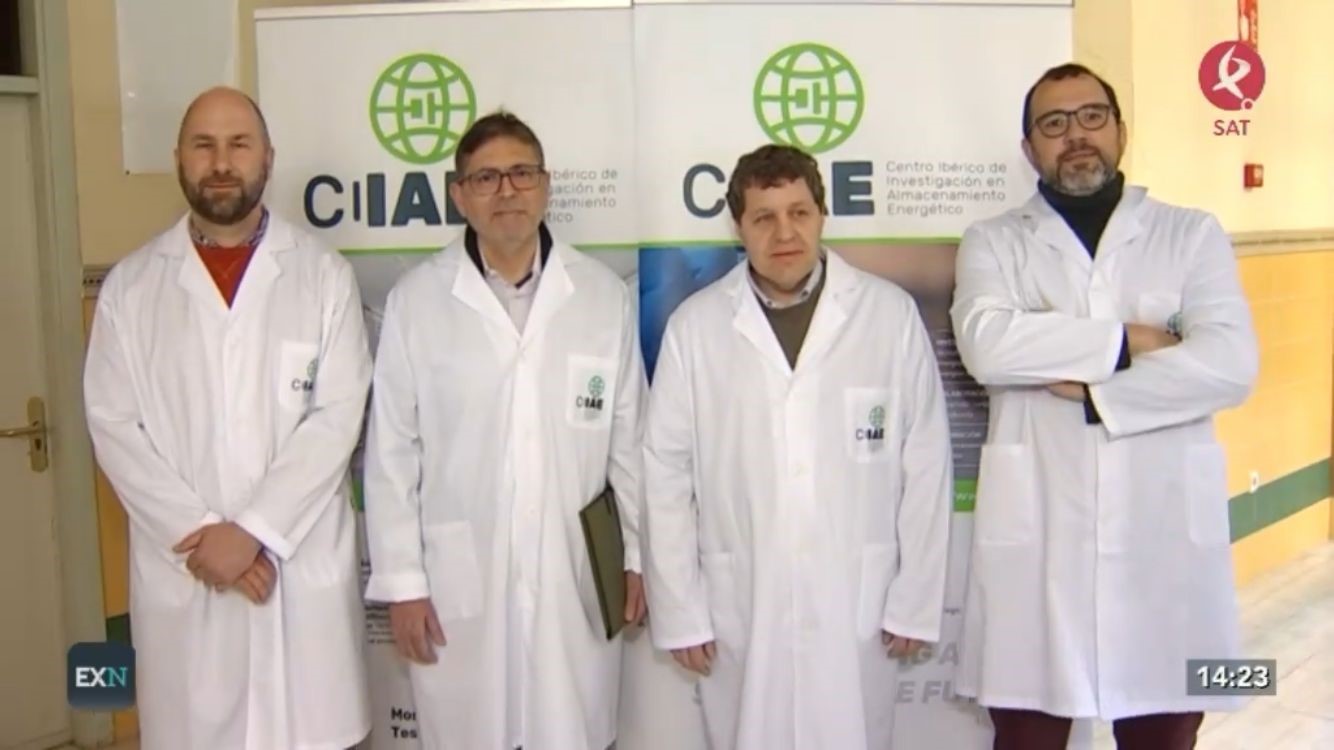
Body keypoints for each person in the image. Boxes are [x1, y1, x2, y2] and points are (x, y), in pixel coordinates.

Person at [950, 63, 1259, 750]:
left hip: (1162, 545)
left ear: (1120, 129)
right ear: (1029, 147)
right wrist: (1132, 341)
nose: (1076, 135)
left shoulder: (1190, 234)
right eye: (1053, 123)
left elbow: (1230, 365)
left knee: (1164, 731)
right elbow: (989, 347)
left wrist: (1095, 391)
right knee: (1026, 734)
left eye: (1092, 116)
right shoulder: (993, 241)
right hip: (1040, 544)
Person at [83, 86, 372, 749]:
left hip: (294, 571)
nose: (220, 163)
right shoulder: (132, 288)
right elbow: (114, 427)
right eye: (203, 145)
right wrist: (201, 533)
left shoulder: (322, 276)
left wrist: (253, 532)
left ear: (267, 157)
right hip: (189, 573)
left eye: (238, 144)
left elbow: (337, 418)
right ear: (177, 158)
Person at [642, 143, 953, 750]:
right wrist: (679, 607)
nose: (784, 233)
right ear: (738, 227)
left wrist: (916, 598)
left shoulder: (886, 315)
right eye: (764, 217)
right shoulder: (697, 328)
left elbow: (926, 462)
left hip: (856, 598)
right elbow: (666, 475)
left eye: (799, 213)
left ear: (822, 215)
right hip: (742, 599)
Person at [361, 111, 648, 750]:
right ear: (459, 195)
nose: (507, 191)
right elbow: (392, 455)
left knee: (569, 726)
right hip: (459, 577)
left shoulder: (601, 296)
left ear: (546, 185)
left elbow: (630, 446)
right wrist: (403, 583)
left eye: (521, 173)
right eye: (486, 178)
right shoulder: (418, 300)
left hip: (574, 574)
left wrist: (636, 556)